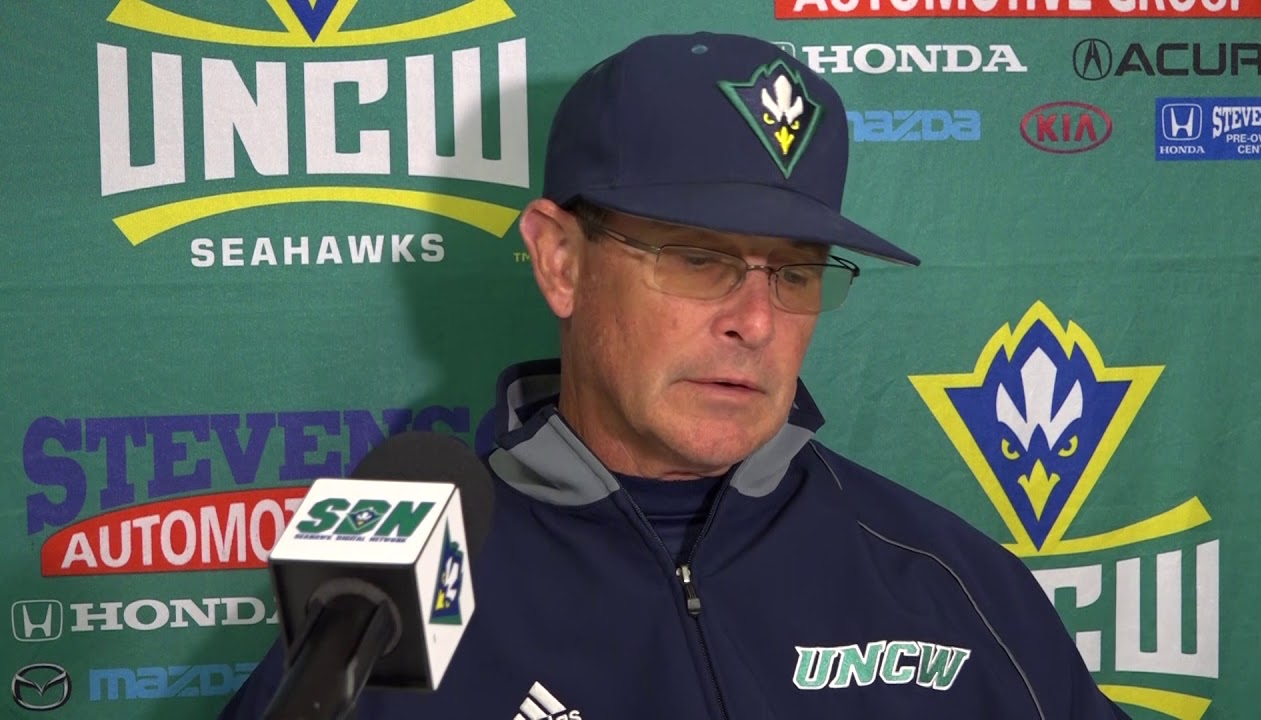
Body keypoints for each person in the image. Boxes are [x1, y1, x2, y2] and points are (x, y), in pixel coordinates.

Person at [221, 31, 1131, 719]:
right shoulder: (383, 611)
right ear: (561, 262)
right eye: (698, 259)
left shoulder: (950, 583)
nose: (757, 321)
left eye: (797, 274)